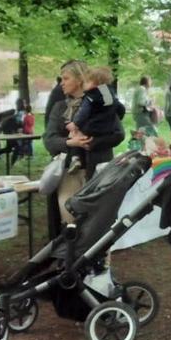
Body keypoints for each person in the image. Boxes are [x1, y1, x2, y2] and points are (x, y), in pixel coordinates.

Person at [42, 59, 124, 239]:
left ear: (80, 80)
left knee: (99, 224)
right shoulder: (60, 107)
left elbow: (118, 134)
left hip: (98, 172)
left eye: (66, 78)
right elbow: (49, 140)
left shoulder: (104, 103)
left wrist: (90, 142)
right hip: (68, 174)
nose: (61, 83)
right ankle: (72, 263)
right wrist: (71, 143)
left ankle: (101, 265)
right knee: (70, 221)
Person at [68, 66, 125, 150]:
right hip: (108, 128)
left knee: (74, 135)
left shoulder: (91, 96)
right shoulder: (110, 95)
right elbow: (121, 108)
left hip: (92, 127)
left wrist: (75, 124)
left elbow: (83, 113)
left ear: (95, 83)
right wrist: (117, 117)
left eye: (86, 82)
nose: (84, 85)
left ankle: (76, 156)